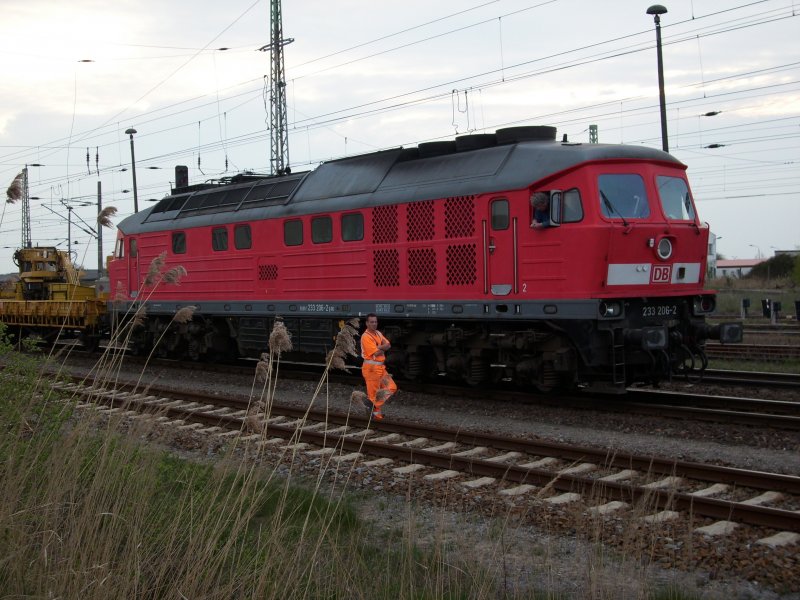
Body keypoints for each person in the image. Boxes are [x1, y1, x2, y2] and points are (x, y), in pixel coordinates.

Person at [360, 313, 397, 420]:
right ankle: (377, 417)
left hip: (380, 368)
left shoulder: (378, 333)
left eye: (375, 322)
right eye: (372, 322)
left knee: (391, 387)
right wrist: (381, 348)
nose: (374, 324)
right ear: (367, 323)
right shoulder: (365, 336)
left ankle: (370, 404)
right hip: (371, 369)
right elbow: (376, 353)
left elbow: (388, 345)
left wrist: (378, 347)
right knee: (374, 394)